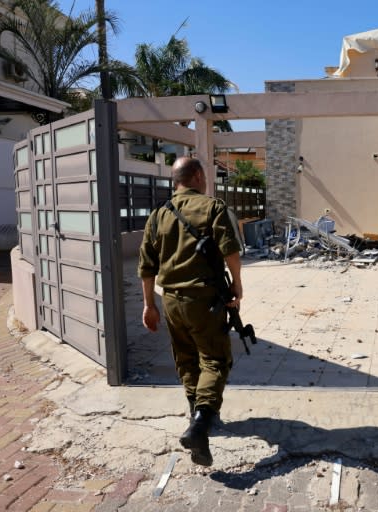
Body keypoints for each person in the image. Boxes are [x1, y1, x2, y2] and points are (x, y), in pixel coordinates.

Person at [138, 156, 243, 466]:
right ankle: (200, 423)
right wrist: (237, 286)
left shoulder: (158, 215)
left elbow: (146, 266)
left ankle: (194, 414)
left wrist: (148, 305)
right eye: (205, 175)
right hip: (204, 300)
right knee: (215, 359)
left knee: (185, 358)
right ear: (197, 176)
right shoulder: (213, 208)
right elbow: (231, 251)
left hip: (170, 300)